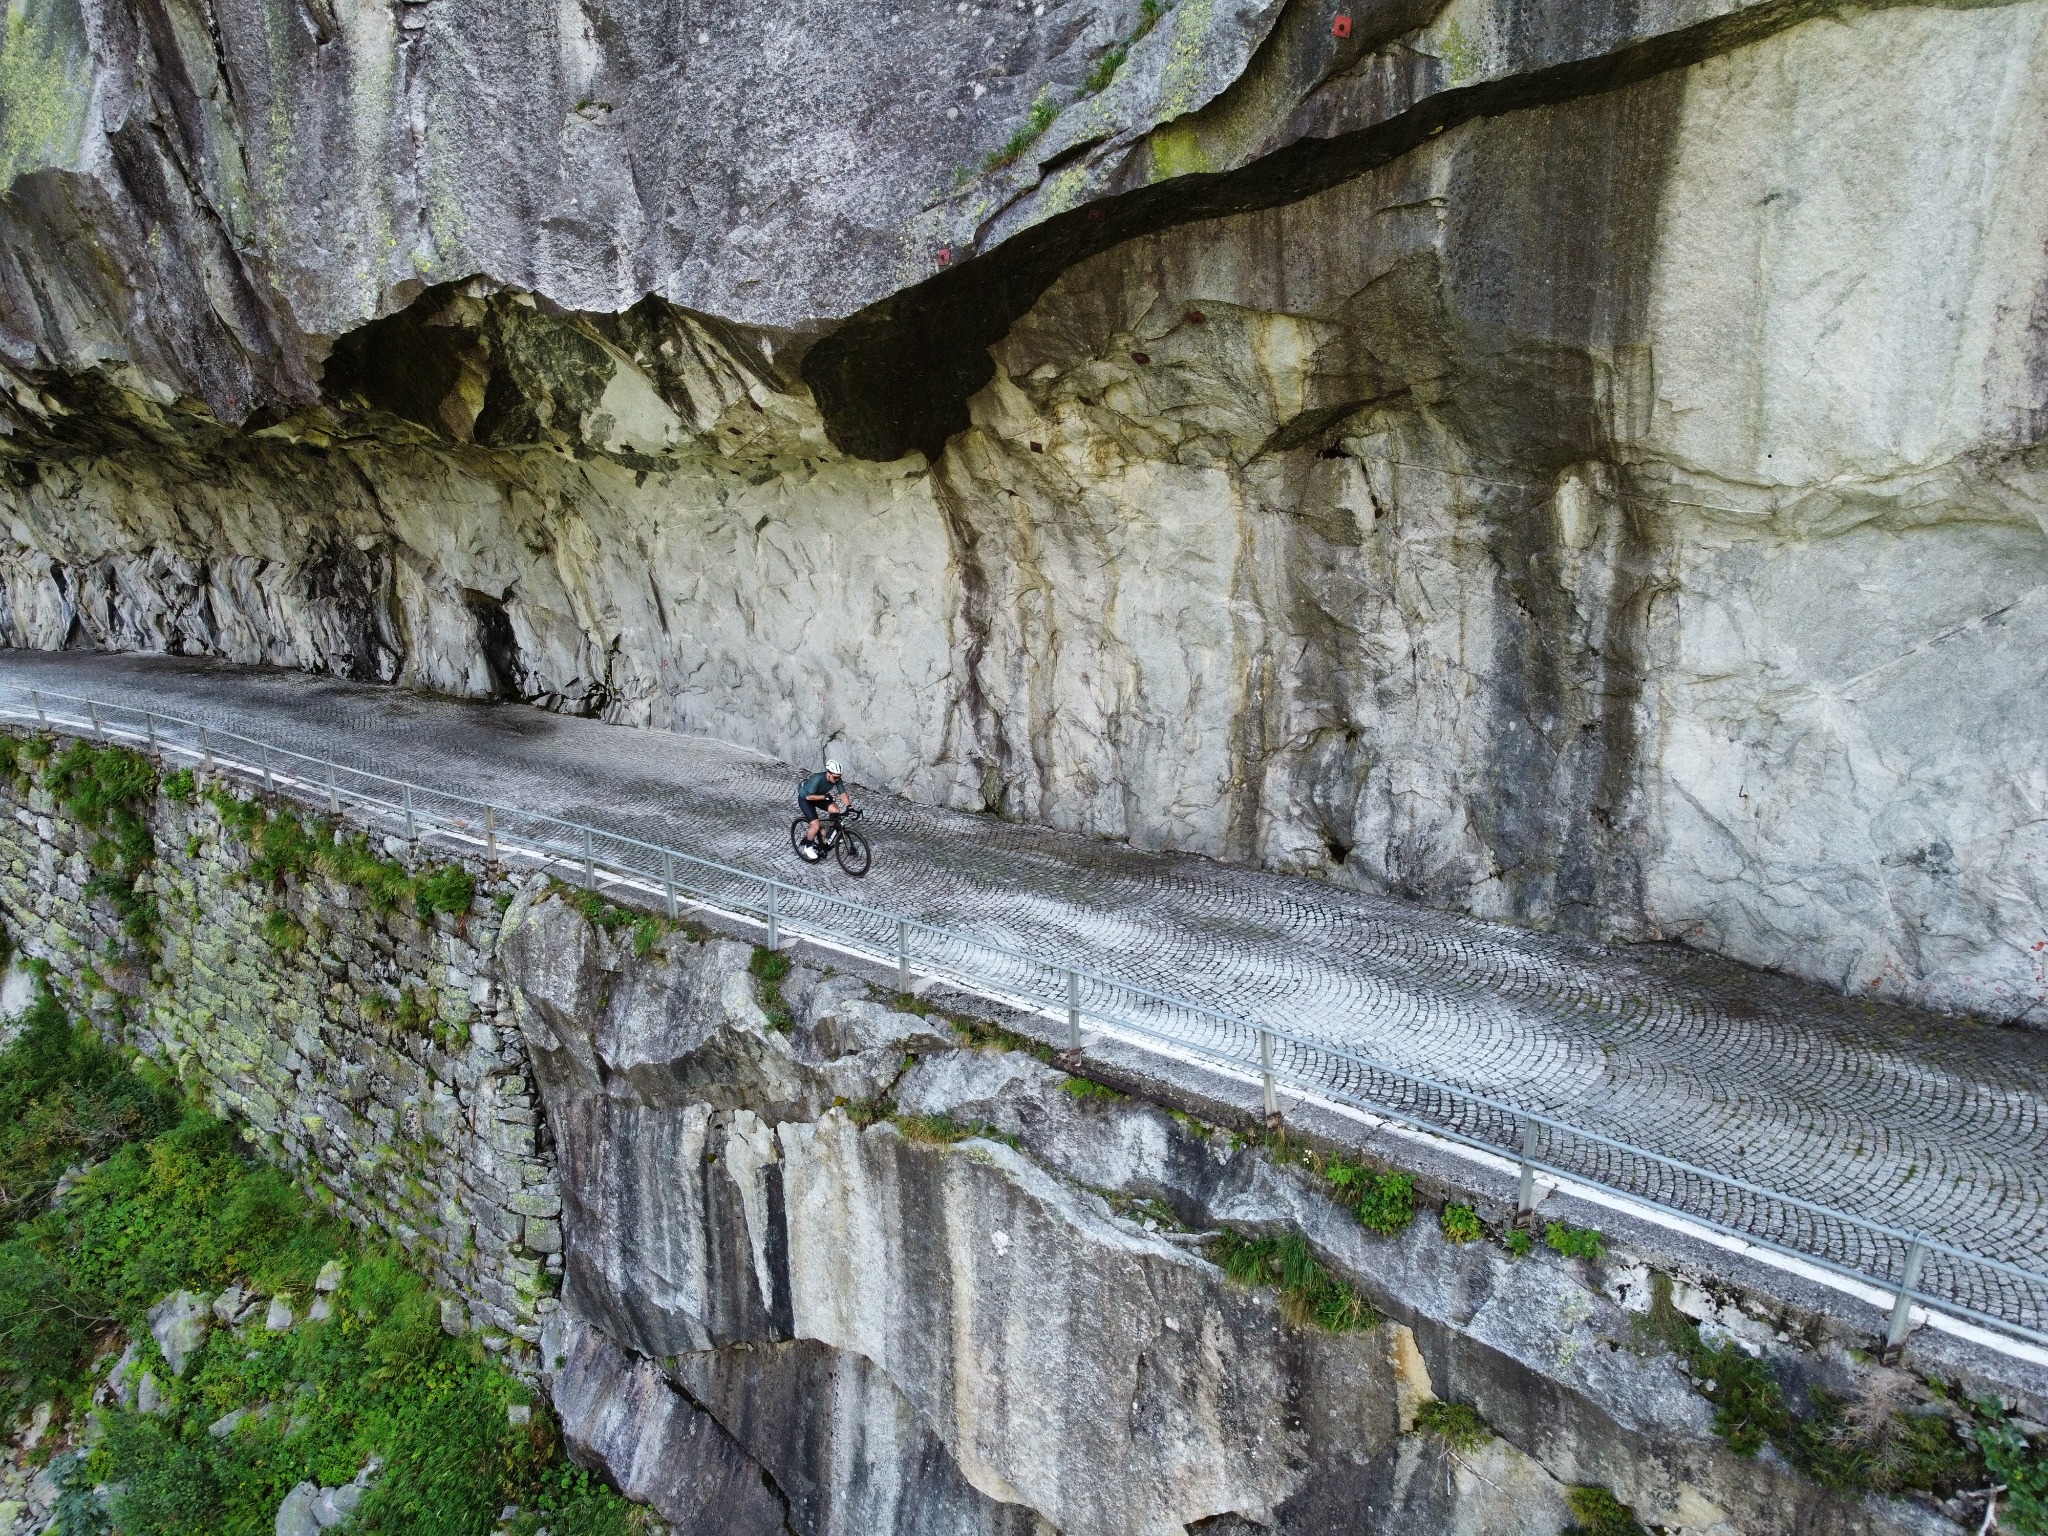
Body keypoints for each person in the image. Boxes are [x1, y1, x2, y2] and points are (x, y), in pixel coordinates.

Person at [797, 760, 848, 858]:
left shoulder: (836, 778)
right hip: (806, 799)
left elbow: (843, 794)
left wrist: (849, 807)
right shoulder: (818, 779)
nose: (837, 779)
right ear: (828, 773)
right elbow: (808, 797)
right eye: (835, 777)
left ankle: (830, 834)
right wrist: (825, 797)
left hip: (819, 797)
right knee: (815, 825)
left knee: (835, 810)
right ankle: (808, 846)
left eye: (839, 777)